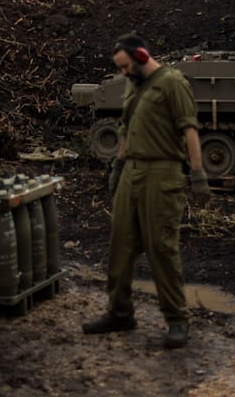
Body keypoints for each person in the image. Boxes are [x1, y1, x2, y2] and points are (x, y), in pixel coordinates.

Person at [82, 34, 211, 349]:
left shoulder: (172, 83)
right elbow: (126, 128)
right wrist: (118, 165)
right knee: (120, 245)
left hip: (162, 172)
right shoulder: (133, 85)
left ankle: (177, 319)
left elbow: (189, 129)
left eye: (126, 66)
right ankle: (120, 312)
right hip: (133, 172)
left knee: (161, 248)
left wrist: (197, 174)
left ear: (141, 56)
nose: (123, 73)